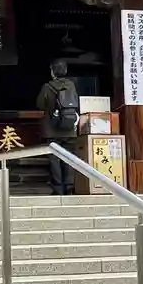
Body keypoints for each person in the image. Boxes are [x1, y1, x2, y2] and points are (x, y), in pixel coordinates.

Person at [36, 61, 81, 195]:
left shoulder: (47, 87)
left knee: (54, 159)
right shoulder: (71, 85)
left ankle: (58, 189)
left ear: (53, 72)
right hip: (69, 128)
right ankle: (69, 187)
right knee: (69, 157)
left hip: (52, 129)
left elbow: (40, 104)